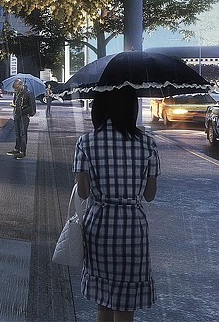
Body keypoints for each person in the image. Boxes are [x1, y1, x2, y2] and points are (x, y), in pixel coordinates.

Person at [74, 87, 159, 322]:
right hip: (133, 228)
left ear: (99, 107)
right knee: (125, 305)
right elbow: (150, 195)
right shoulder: (147, 144)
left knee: (104, 303)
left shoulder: (86, 143)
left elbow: (83, 192)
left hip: (99, 225)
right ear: (133, 108)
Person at [7, 79, 35, 159]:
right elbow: (15, 102)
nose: (15, 90)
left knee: (23, 134)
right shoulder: (17, 93)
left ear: (20, 85)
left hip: (24, 116)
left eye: (16, 88)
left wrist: (22, 109)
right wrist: (14, 106)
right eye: (15, 89)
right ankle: (17, 148)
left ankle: (23, 151)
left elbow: (32, 108)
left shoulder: (28, 93)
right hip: (17, 115)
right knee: (17, 133)